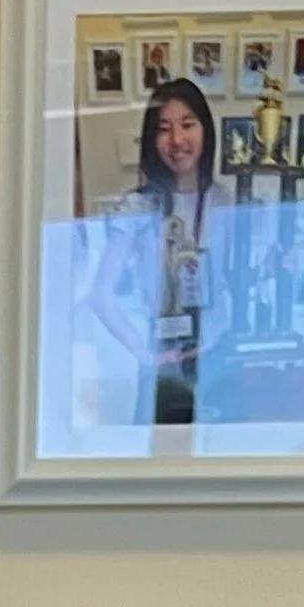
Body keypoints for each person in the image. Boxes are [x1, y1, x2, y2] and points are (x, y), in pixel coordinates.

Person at [89, 77, 226, 428]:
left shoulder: (228, 201)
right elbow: (100, 294)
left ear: (206, 130)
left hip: (221, 361)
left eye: (188, 125)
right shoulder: (139, 207)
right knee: (164, 456)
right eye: (164, 129)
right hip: (166, 368)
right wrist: (144, 352)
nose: (177, 140)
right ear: (152, 139)